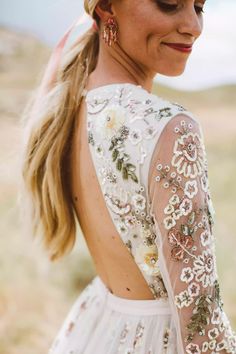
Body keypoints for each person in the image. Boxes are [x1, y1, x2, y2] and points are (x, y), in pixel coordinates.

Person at [21, 0, 236, 353]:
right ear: (107, 7)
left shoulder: (72, 105)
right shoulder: (171, 128)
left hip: (98, 330)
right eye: (169, 4)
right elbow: (202, 326)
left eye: (199, 6)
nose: (192, 25)